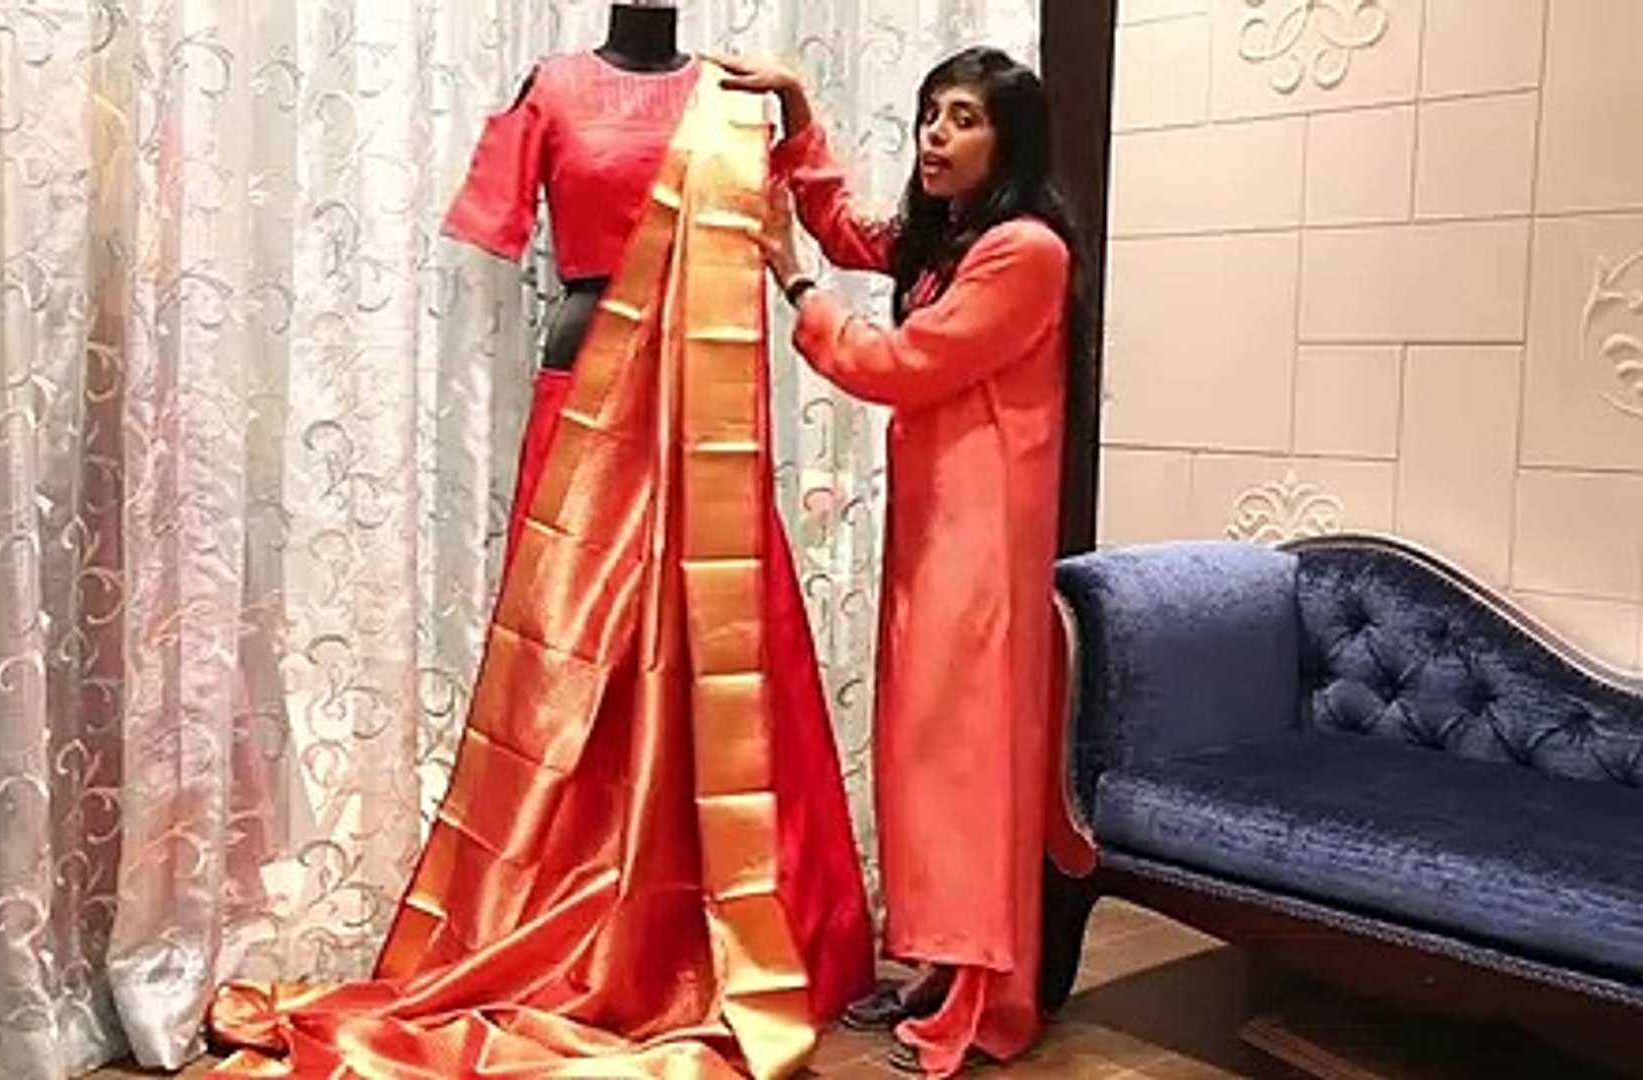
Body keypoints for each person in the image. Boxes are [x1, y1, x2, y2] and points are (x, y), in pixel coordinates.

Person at [202, 8, 874, 1077]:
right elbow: (498, 225)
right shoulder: (548, 88)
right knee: (570, 647)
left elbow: (838, 233)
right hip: (586, 383)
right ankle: (558, 907)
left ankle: (725, 928)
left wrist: (797, 111)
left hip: (705, 401)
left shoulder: (733, 98)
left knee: (716, 638)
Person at [718, 46, 1087, 1076]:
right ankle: (943, 965)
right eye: (932, 113)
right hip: (938, 530)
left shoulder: (1025, 252)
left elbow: (896, 364)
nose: (936, 134)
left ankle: (990, 1000)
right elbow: (853, 230)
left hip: (984, 541)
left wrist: (792, 280)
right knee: (925, 755)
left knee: (968, 761)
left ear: (1010, 140)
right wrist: (799, 112)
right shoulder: (956, 239)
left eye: (964, 118)